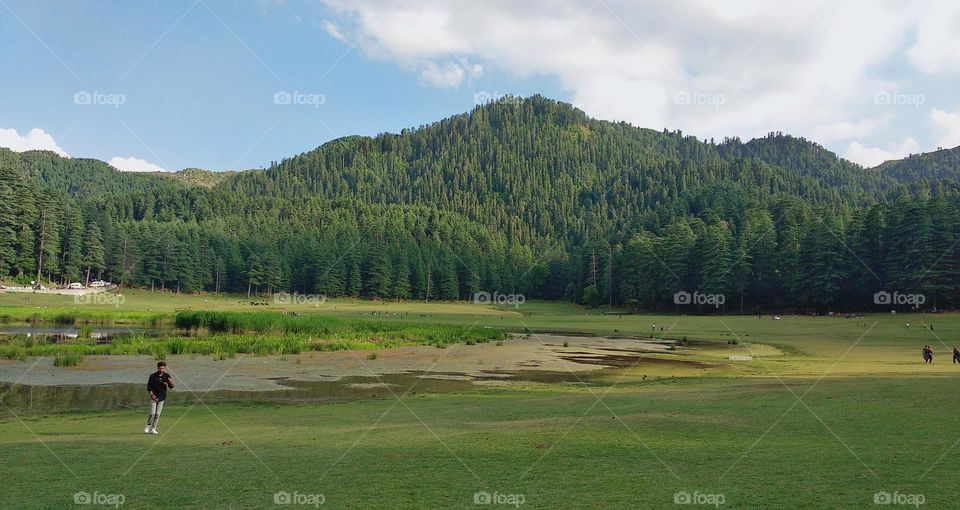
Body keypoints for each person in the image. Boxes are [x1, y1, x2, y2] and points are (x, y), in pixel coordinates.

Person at [145, 361, 174, 434]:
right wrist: (152, 395)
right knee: (152, 413)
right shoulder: (152, 376)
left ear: (164, 368)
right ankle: (147, 426)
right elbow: (149, 387)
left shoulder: (167, 376)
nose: (161, 370)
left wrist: (170, 382)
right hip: (154, 397)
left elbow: (171, 387)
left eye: (163, 368)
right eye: (160, 368)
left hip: (162, 397)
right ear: (157, 368)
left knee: (157, 414)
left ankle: (153, 428)